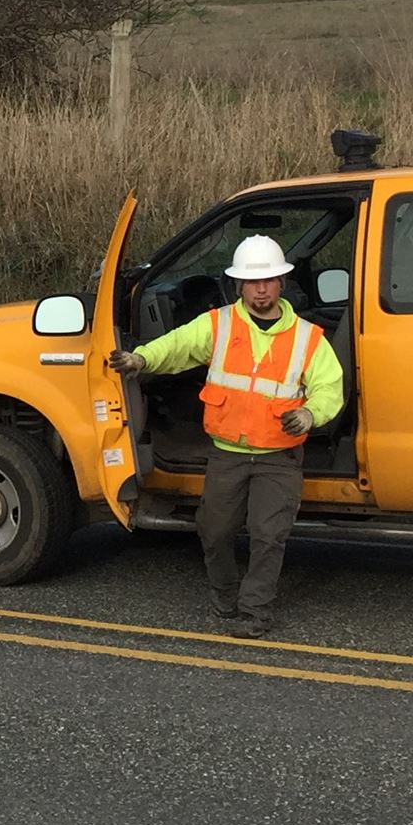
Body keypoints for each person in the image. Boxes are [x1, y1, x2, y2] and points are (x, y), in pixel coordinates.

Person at [106, 234, 344, 638]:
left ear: (282, 282)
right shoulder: (218, 324)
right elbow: (178, 345)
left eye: (269, 280)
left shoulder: (308, 338)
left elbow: (329, 388)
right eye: (253, 282)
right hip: (228, 454)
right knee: (214, 532)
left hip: (278, 457)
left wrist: (309, 413)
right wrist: (141, 358)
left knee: (269, 536)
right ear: (240, 285)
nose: (262, 288)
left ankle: (255, 611)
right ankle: (224, 595)